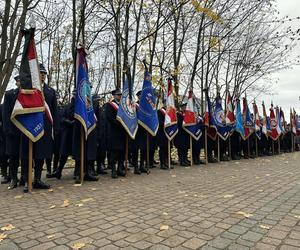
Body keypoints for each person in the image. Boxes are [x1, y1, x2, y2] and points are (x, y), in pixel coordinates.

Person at [20, 64, 57, 192]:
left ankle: (37, 179)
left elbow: (54, 111)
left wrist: (55, 129)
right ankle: (26, 180)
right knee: (27, 155)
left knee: (41, 154)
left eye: (44, 73)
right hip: (30, 126)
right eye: (40, 73)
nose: (42, 75)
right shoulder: (30, 90)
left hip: (44, 128)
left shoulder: (51, 91)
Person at [2, 75, 21, 189]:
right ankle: (13, 178)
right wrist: (7, 130)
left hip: (24, 131)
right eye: (18, 80)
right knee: (13, 157)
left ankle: (24, 177)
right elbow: (5, 114)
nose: (20, 82)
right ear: (16, 83)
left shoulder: (28, 94)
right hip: (12, 131)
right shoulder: (9, 94)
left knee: (24, 156)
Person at [105, 89, 126, 178]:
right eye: (118, 95)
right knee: (114, 152)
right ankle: (113, 170)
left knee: (122, 152)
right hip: (114, 131)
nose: (120, 96)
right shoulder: (109, 105)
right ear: (113, 95)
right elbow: (109, 117)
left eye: (120, 94)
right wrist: (119, 124)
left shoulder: (123, 105)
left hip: (122, 132)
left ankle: (120, 169)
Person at [174, 102, 190, 166]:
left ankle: (185, 159)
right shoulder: (178, 114)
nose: (184, 108)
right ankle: (181, 160)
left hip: (186, 134)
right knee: (181, 148)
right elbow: (179, 123)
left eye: (185, 107)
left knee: (185, 148)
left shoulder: (187, 114)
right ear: (181, 108)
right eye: (183, 107)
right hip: (180, 134)